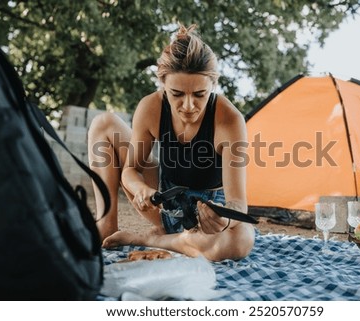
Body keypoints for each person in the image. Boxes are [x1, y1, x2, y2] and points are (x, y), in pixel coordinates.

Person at [87, 24, 255, 262]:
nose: (188, 106)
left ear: (212, 85)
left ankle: (149, 239)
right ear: (162, 83)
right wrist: (140, 189)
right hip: (163, 202)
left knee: (241, 241)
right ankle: (106, 223)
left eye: (199, 95)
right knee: (104, 123)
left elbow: (238, 204)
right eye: (176, 94)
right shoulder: (150, 107)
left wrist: (225, 219)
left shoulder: (230, 119)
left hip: (205, 220)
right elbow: (131, 170)